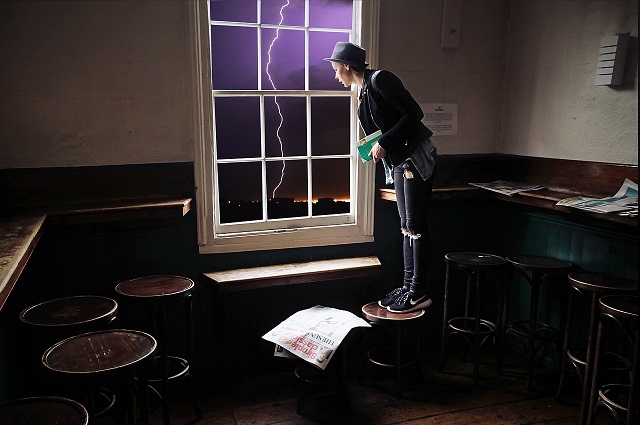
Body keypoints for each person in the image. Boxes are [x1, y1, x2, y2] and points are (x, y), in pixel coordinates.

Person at [325, 42, 437, 313]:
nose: (335, 75)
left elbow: (414, 114)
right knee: (406, 227)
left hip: (414, 159)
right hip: (398, 162)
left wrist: (384, 141)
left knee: (415, 226)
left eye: (336, 69)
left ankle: (418, 291)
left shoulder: (380, 79)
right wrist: (375, 144)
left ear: (347, 66)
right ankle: (408, 286)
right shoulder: (363, 92)